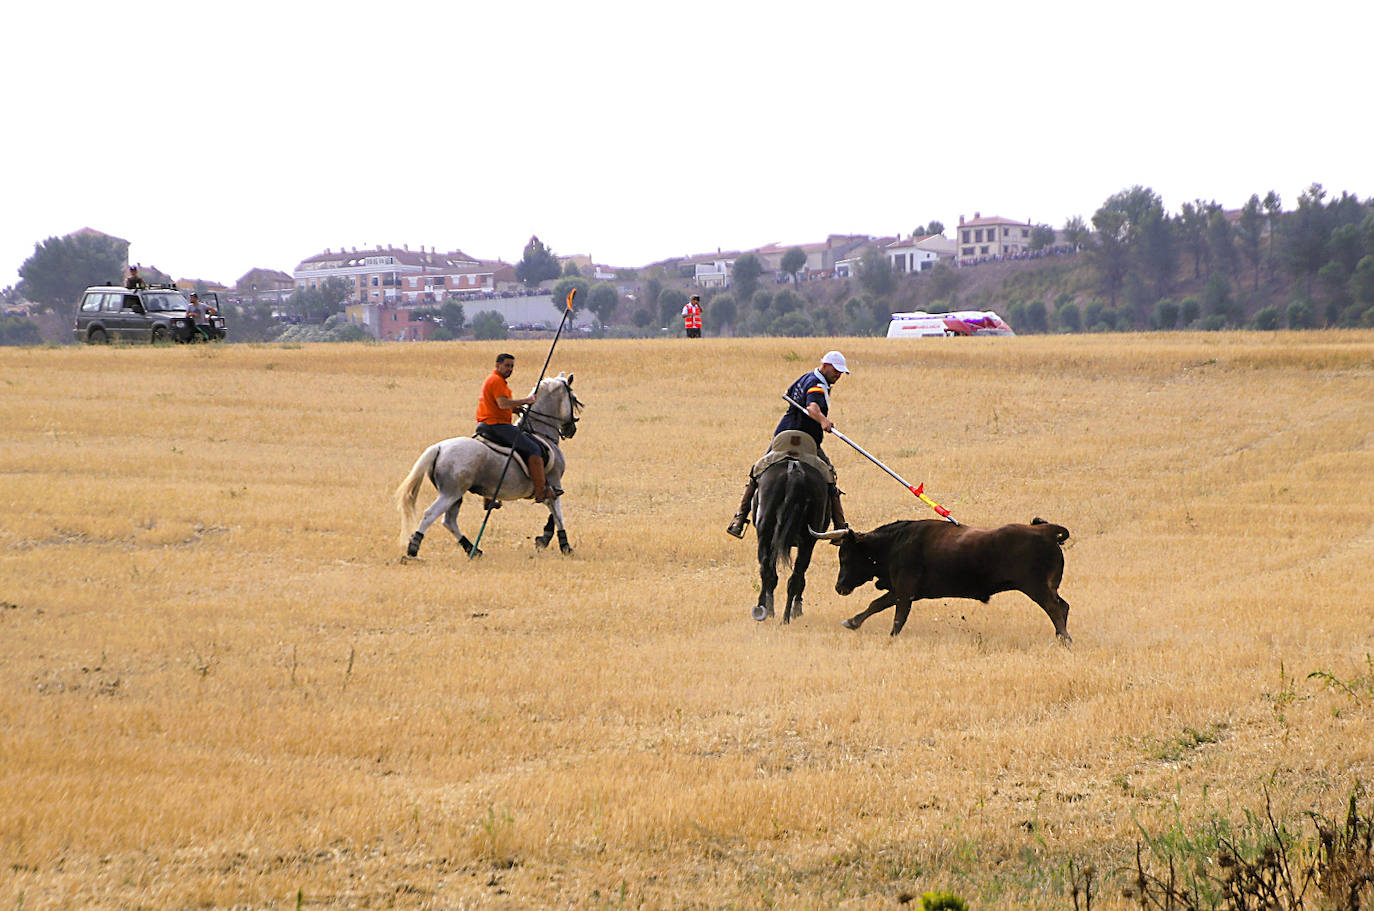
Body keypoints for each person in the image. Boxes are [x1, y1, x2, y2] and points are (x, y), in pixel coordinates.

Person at [726, 350, 850, 538]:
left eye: (841, 372)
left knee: (757, 472)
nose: (838, 375)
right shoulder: (817, 385)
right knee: (829, 476)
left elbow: (788, 393)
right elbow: (812, 408)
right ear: (824, 365)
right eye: (836, 370)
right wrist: (824, 421)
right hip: (806, 440)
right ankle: (840, 526)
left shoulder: (806, 377)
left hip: (782, 435)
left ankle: (739, 518)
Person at [474, 352, 550, 503]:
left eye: (512, 366)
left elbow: (499, 405)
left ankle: (488, 498)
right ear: (498, 365)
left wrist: (514, 409)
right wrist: (527, 400)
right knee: (533, 449)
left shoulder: (496, 380)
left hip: (487, 424)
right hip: (497, 425)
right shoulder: (496, 381)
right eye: (507, 365)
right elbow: (503, 403)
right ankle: (541, 491)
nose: (509, 369)